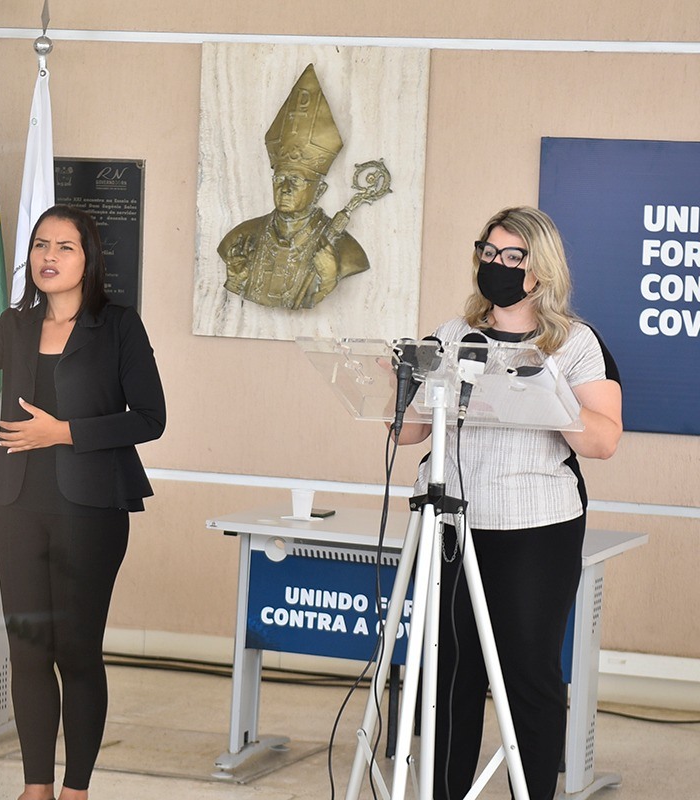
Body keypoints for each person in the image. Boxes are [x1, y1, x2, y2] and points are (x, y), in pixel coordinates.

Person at [0, 204, 166, 800]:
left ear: (89, 259)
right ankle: (35, 787)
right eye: (41, 245)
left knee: (76, 650)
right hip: (18, 502)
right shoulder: (17, 324)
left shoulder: (118, 326)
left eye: (64, 246)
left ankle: (75, 790)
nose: (49, 256)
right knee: (29, 649)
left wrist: (63, 432)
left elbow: (150, 418)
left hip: (91, 508)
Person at [392, 206, 622, 800]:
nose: (496, 264)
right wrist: (402, 384)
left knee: (527, 674)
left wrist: (549, 391)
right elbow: (411, 432)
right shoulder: (453, 334)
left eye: (512, 256)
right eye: (488, 252)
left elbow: (603, 441)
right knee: (450, 671)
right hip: (451, 521)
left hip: (534, 528)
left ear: (541, 268)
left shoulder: (574, 344)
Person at [217, 63, 371, 309]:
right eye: (279, 179)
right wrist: (237, 281)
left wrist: (328, 278)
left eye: (296, 180)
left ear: (319, 191)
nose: (285, 188)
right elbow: (238, 287)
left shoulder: (346, 250)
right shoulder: (242, 237)